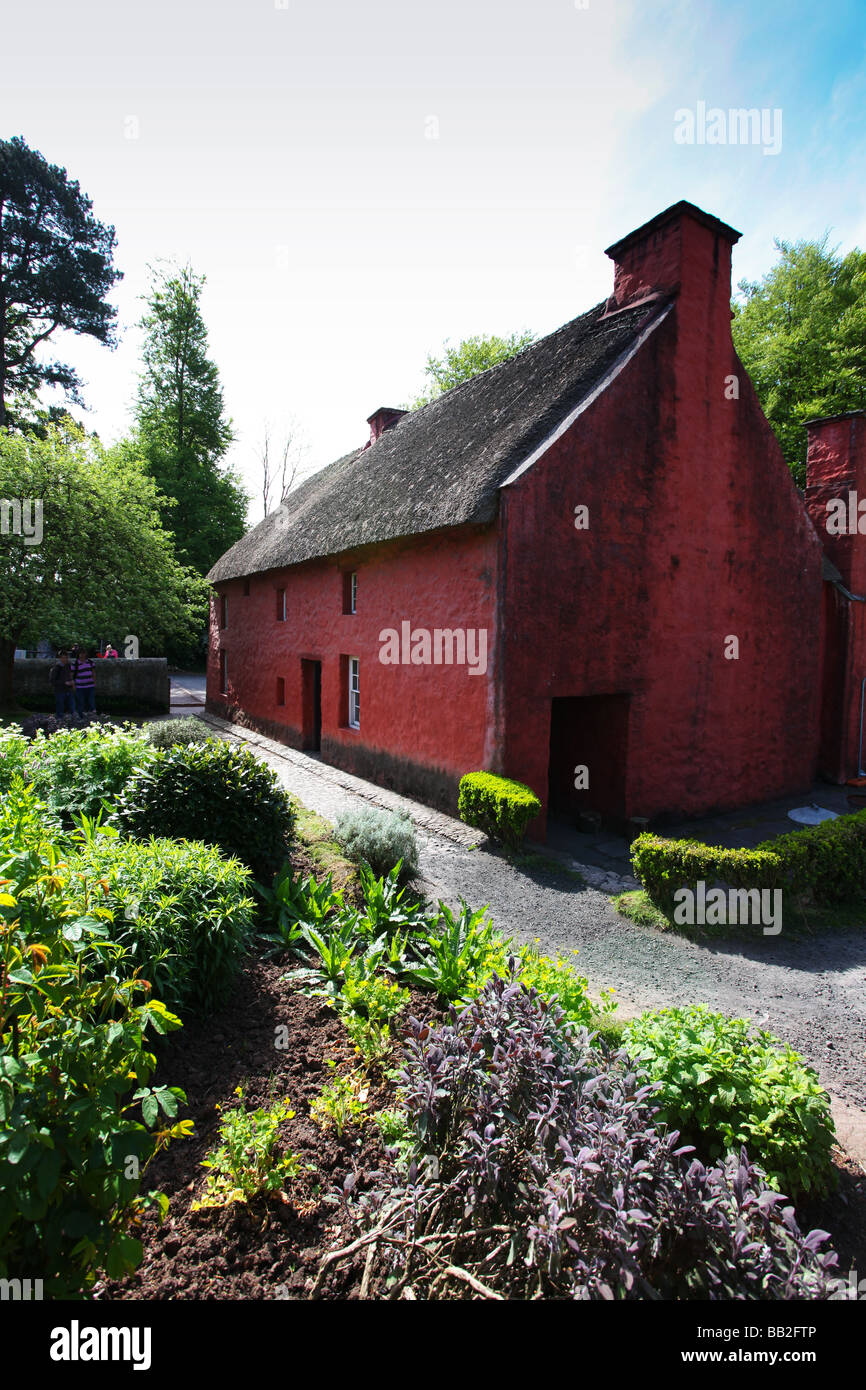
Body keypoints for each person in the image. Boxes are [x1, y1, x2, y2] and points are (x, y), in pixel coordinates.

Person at [51, 651, 76, 718]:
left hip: (69, 689)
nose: (65, 659)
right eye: (63, 658)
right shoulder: (57, 668)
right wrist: (64, 682)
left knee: (72, 707)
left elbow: (71, 676)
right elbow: (53, 680)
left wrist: (72, 683)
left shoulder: (69, 666)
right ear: (60, 658)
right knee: (60, 707)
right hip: (60, 690)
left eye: (66, 658)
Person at [73, 647, 96, 716]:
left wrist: (94, 682)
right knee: (81, 702)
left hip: (90, 685)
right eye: (81, 653)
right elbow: (71, 675)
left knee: (91, 701)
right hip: (79, 686)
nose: (82, 655)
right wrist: (73, 685)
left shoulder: (91, 662)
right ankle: (81, 715)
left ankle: (92, 714)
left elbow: (93, 673)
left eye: (84, 653)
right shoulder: (75, 664)